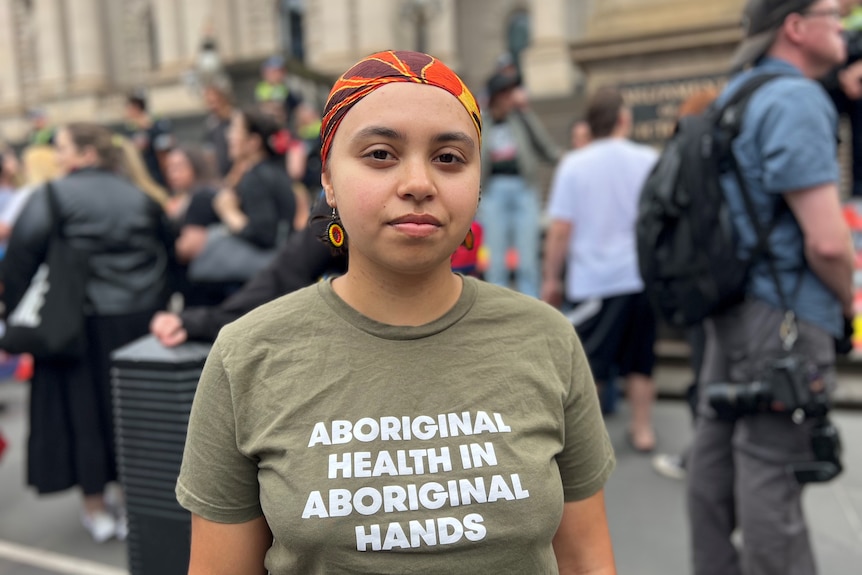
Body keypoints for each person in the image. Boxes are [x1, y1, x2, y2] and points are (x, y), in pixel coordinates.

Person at [175, 49, 616, 574]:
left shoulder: (547, 338)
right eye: (381, 154)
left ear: (477, 183)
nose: (418, 183)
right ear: (329, 181)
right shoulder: (245, 356)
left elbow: (587, 557)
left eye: (449, 158)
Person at [686, 2, 853, 574]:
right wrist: (849, 300)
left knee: (714, 450)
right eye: (833, 13)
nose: (845, 24)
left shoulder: (736, 95)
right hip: (784, 311)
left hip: (731, 308)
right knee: (772, 464)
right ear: (796, 27)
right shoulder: (797, 97)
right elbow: (827, 242)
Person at [0, 123, 173, 543]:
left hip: (77, 324)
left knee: (84, 416)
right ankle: (134, 504)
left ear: (86, 154)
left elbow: (20, 257)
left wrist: (24, 313)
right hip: (138, 321)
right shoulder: (141, 195)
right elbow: (169, 251)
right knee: (134, 415)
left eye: (62, 147)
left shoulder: (53, 195)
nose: (57, 156)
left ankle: (96, 510)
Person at [541, 87, 660, 453]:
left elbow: (561, 229)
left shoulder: (574, 164)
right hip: (639, 276)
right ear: (624, 119)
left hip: (594, 279)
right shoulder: (648, 159)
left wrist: (551, 278)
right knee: (641, 361)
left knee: (591, 362)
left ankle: (586, 443)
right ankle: (642, 430)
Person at [479, 71, 561, 297]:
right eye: (506, 93)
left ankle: (530, 308)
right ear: (496, 96)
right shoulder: (482, 122)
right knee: (496, 260)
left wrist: (526, 112)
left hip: (523, 188)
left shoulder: (521, 118)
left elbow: (545, 147)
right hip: (493, 191)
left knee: (528, 259)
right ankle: (499, 310)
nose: (511, 98)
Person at [123, 90, 175, 187]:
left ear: (136, 108)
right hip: (140, 176)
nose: (127, 112)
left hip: (158, 175)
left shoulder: (157, 125)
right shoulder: (130, 130)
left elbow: (165, 149)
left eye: (129, 108)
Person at [201, 80, 236, 178]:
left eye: (214, 102)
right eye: (209, 103)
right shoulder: (211, 124)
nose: (212, 107)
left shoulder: (236, 120)